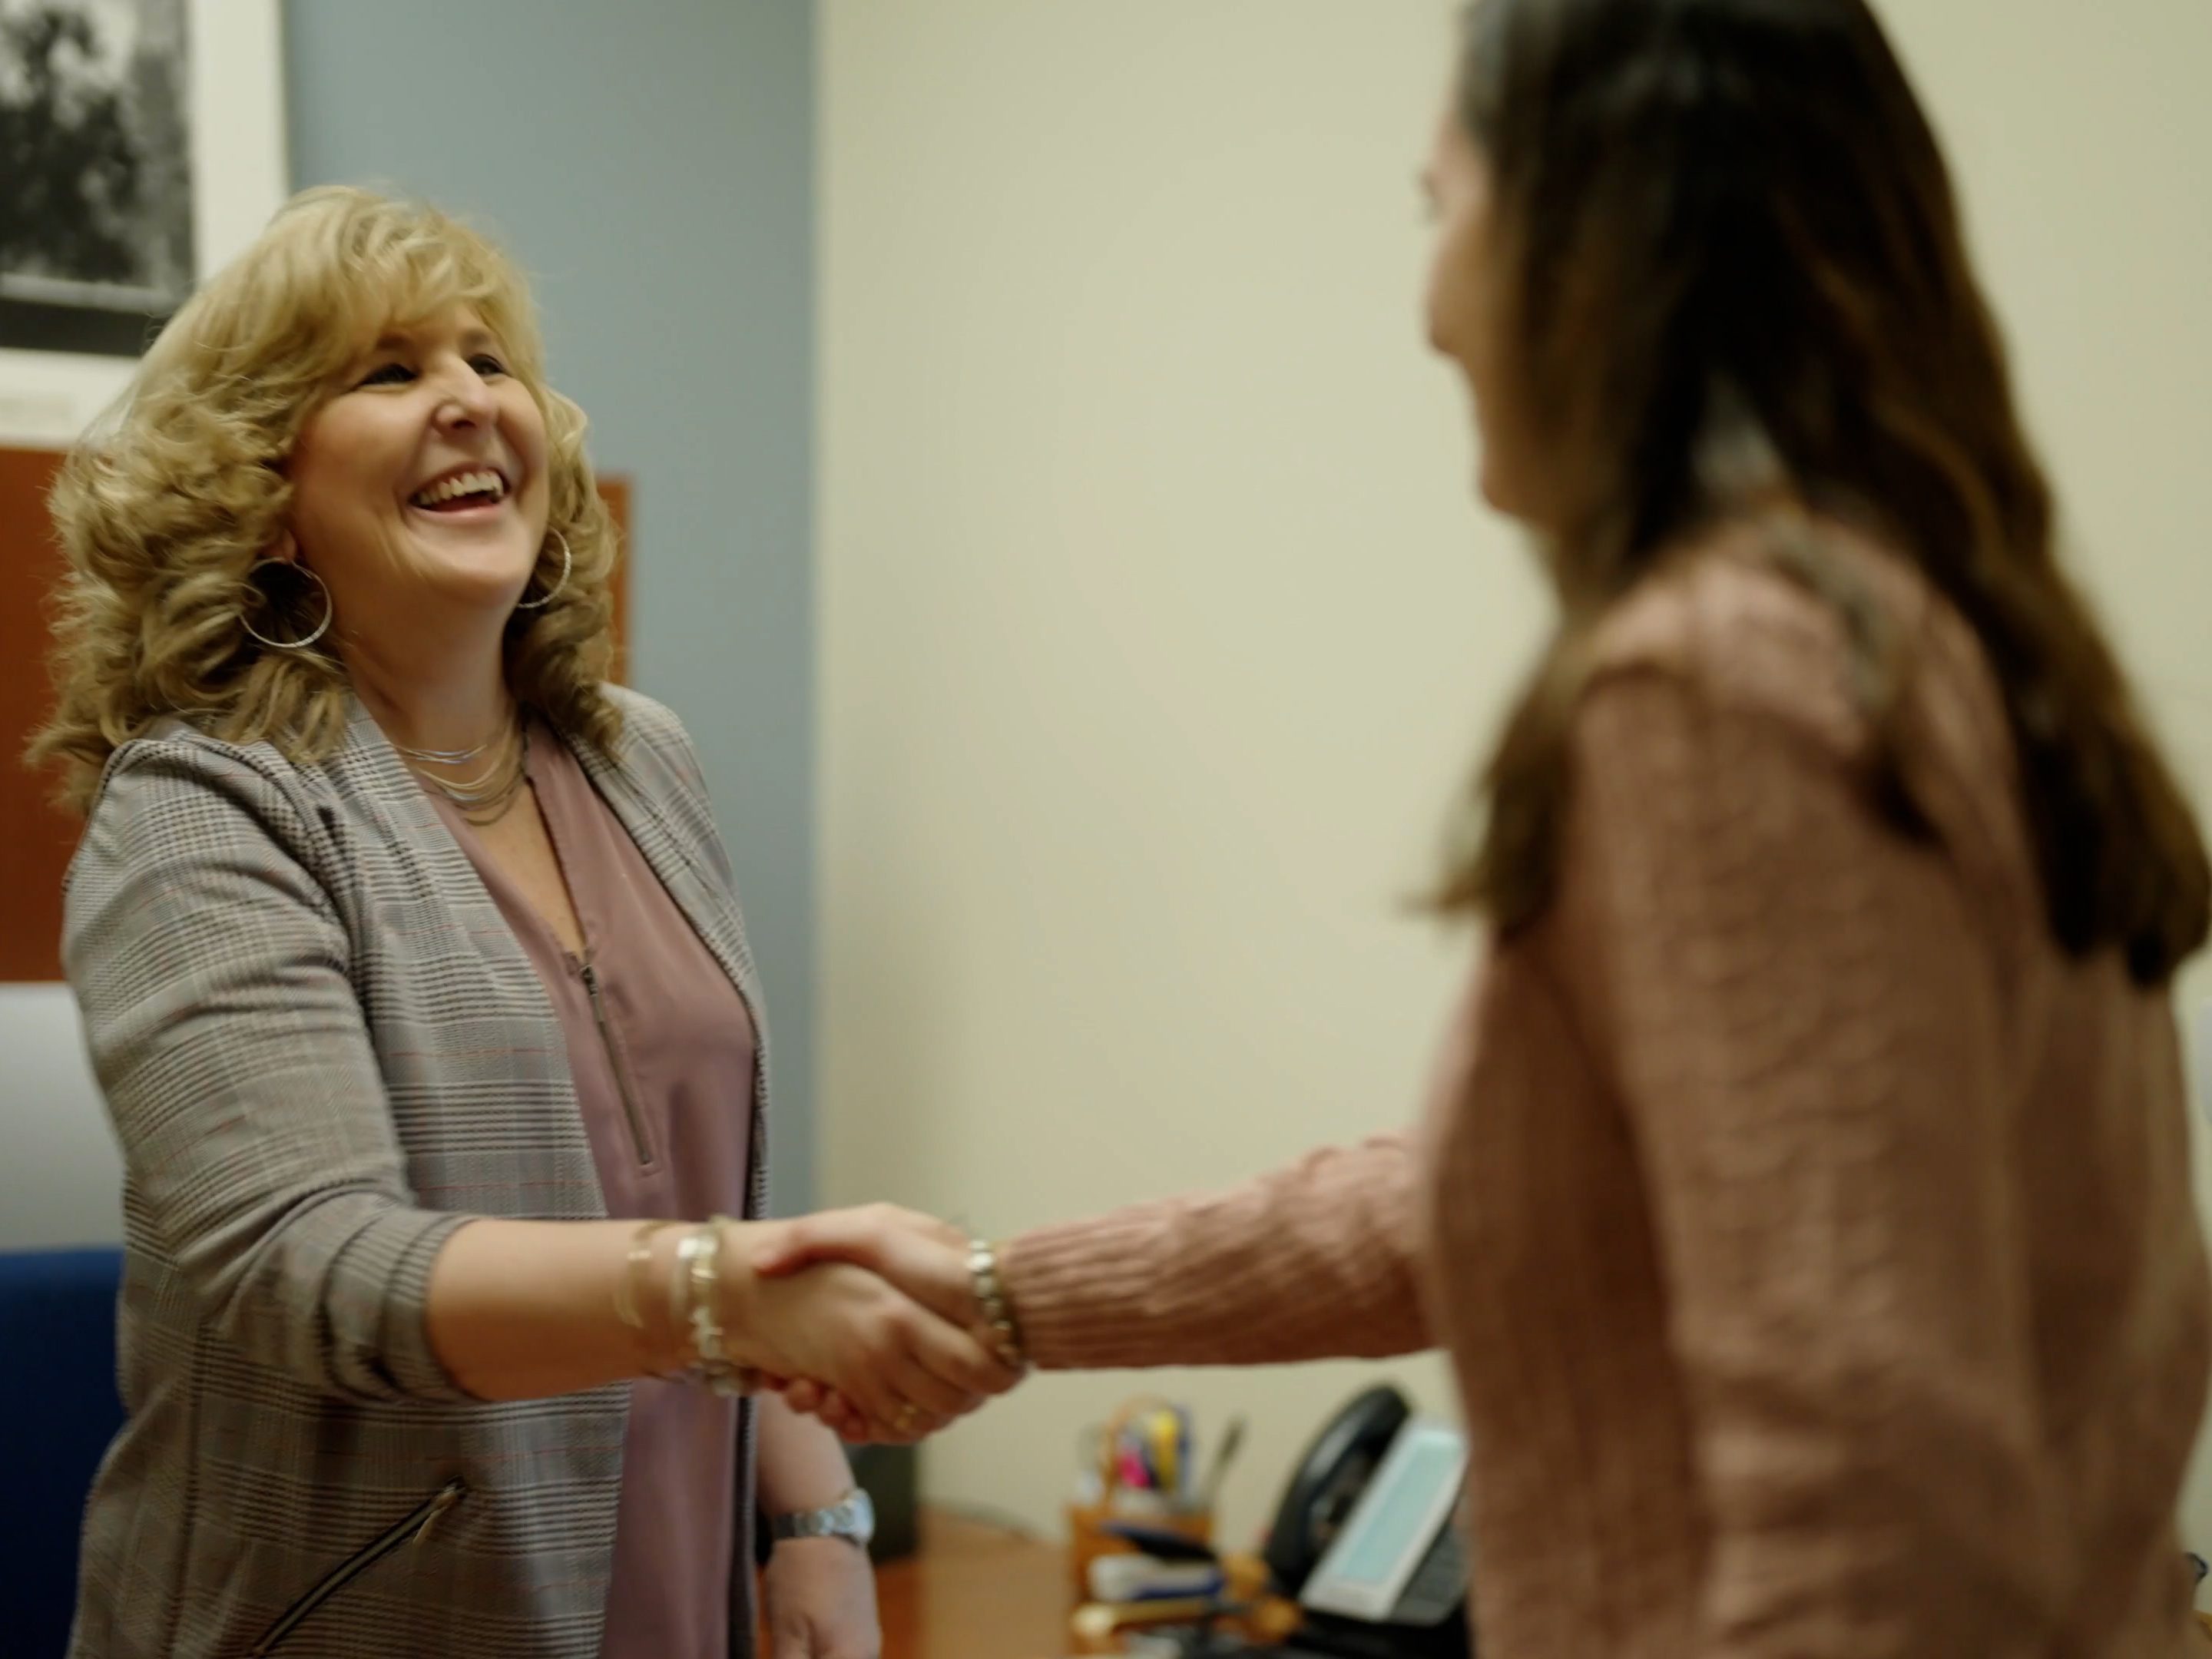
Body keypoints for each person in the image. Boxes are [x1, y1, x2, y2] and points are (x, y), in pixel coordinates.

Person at [753, 2, 2212, 1654]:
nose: (1433, 305)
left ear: (1596, 241)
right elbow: (1491, 1206)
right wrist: (1009, 1295)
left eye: (1441, 207)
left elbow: (1872, 1497)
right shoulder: (1942, 648)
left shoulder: (1730, 678)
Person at [29, 186, 1012, 1659]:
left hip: (682, 1585)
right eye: (387, 372)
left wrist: (816, 1514)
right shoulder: (206, 805)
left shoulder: (637, 756)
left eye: (489, 361)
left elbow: (691, 1173)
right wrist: (723, 1300)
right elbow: (314, 1267)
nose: (467, 404)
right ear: (259, 490)